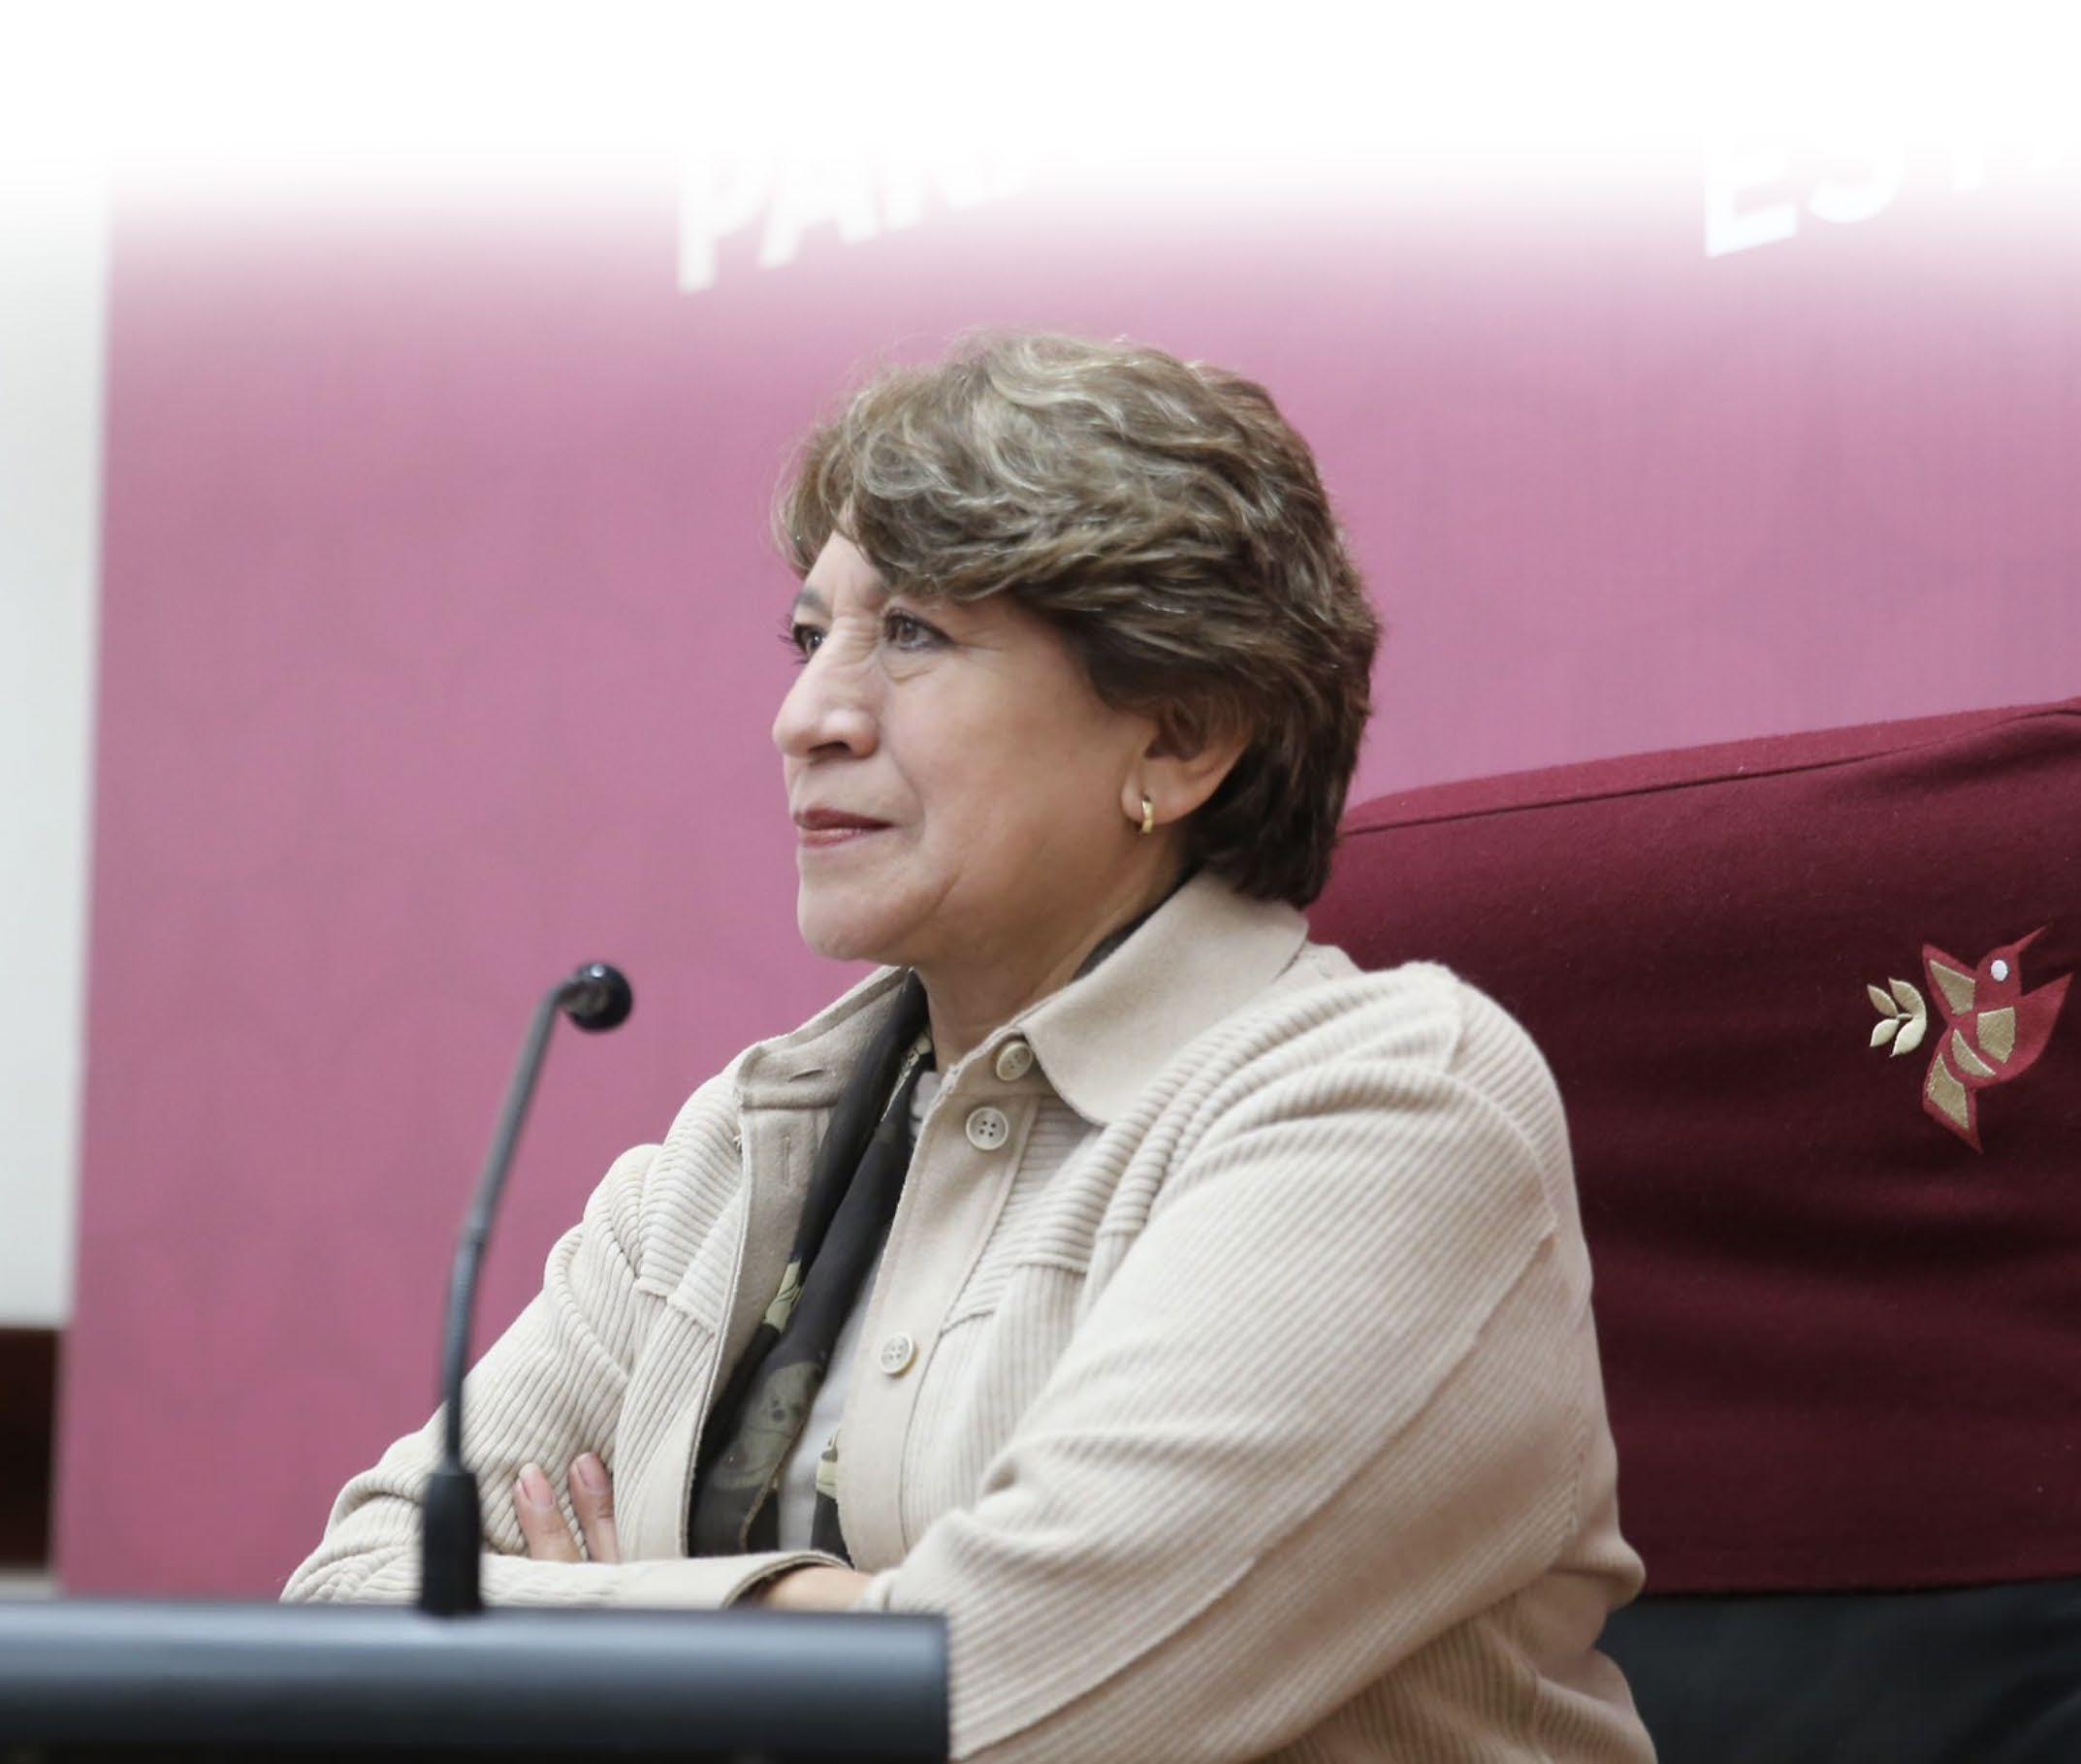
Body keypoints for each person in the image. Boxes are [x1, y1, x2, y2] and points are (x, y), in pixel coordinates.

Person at [284, 330, 1653, 1760]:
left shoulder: (1387, 1114)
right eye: (809, 638)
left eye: (916, 636)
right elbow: (341, 1620)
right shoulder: (737, 1149)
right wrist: (826, 1613)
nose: (806, 717)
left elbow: (988, 1716)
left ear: (1180, 738)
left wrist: (593, 1624)